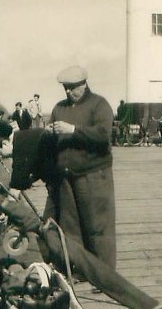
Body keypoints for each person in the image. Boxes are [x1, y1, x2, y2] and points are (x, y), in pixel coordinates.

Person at [44, 65, 119, 269]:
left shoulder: (99, 105)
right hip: (66, 178)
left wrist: (73, 130)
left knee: (98, 227)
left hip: (93, 175)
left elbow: (103, 136)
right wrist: (49, 132)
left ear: (84, 84)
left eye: (72, 87)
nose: (68, 92)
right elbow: (49, 142)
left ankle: (105, 274)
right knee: (71, 227)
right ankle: (79, 269)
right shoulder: (59, 108)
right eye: (65, 88)